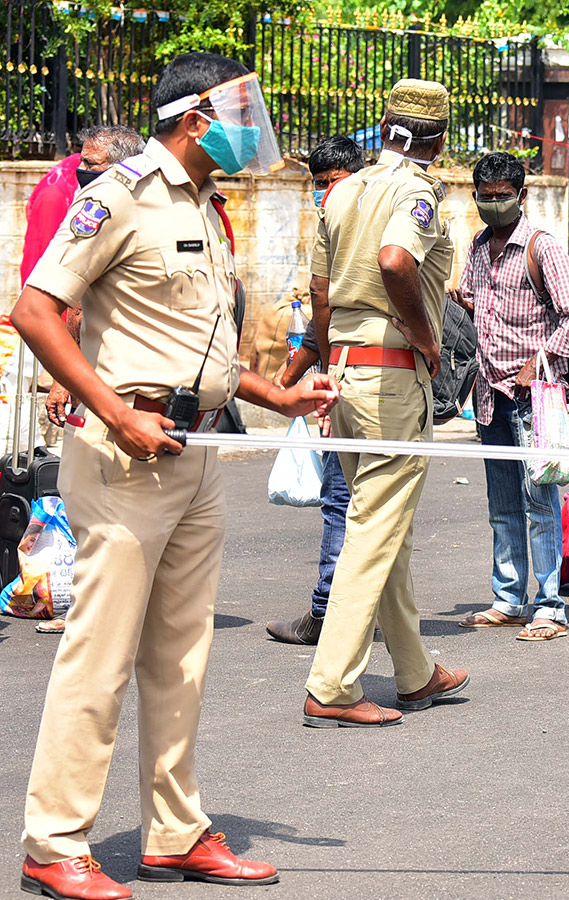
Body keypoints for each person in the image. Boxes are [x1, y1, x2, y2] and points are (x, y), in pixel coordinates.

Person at [14, 52, 340, 899]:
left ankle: (175, 831)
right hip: (124, 456)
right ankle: (54, 842)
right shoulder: (118, 197)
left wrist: (279, 393)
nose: (249, 127)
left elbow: (198, 346)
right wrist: (114, 411)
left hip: (195, 456)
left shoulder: (207, 204)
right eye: (239, 109)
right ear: (196, 118)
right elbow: (35, 311)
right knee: (101, 657)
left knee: (182, 658)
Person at [303, 78, 469, 727]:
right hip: (392, 376)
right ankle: (334, 685)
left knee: (383, 525)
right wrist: (427, 338)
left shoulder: (342, 190)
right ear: (441, 138)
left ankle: (414, 670)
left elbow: (319, 292)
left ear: (383, 125)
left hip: (343, 372)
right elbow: (396, 260)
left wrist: (320, 364)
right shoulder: (417, 191)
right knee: (374, 531)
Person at [451, 152, 569, 641]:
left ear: (522, 195)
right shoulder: (477, 246)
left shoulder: (541, 247)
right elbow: (477, 302)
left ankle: (549, 604)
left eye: (501, 197)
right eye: (485, 198)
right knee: (502, 502)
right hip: (489, 393)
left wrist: (541, 360)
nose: (493, 205)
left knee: (540, 500)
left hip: (533, 397)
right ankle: (508, 598)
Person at [266, 135, 366, 645]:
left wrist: (321, 381)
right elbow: (319, 326)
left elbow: (326, 315)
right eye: (318, 186)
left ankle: (327, 614)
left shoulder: (356, 232)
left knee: (341, 501)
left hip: (359, 386)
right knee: (373, 507)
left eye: (333, 183)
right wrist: (284, 382)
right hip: (361, 382)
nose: (325, 194)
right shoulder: (355, 224)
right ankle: (373, 617)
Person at [26, 126, 147, 429]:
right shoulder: (103, 208)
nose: (81, 170)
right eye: (82, 161)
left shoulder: (113, 209)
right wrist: (63, 380)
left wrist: (62, 380)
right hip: (103, 376)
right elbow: (74, 307)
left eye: (91, 164)